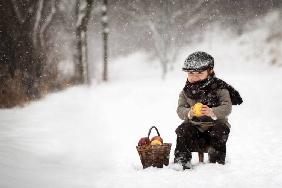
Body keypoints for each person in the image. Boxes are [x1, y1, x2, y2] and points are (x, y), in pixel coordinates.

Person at [174, 51, 243, 170]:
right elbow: (180, 109)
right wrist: (189, 112)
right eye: (191, 73)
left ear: (210, 71)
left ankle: (216, 161)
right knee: (182, 130)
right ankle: (182, 160)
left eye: (200, 73)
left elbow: (227, 107)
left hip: (215, 126)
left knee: (220, 130)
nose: (194, 77)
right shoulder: (186, 91)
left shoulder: (219, 88)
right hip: (194, 128)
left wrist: (212, 111)